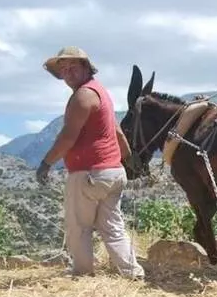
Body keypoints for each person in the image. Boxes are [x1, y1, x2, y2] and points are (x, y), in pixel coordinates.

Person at [37, 46, 145, 280]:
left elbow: (68, 136)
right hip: (113, 172)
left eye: (72, 67)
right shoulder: (101, 93)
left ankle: (83, 273)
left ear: (86, 67)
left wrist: (46, 163)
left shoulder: (82, 96)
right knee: (113, 227)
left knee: (79, 227)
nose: (68, 73)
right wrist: (128, 159)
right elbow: (116, 131)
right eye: (63, 70)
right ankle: (133, 273)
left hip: (89, 173)